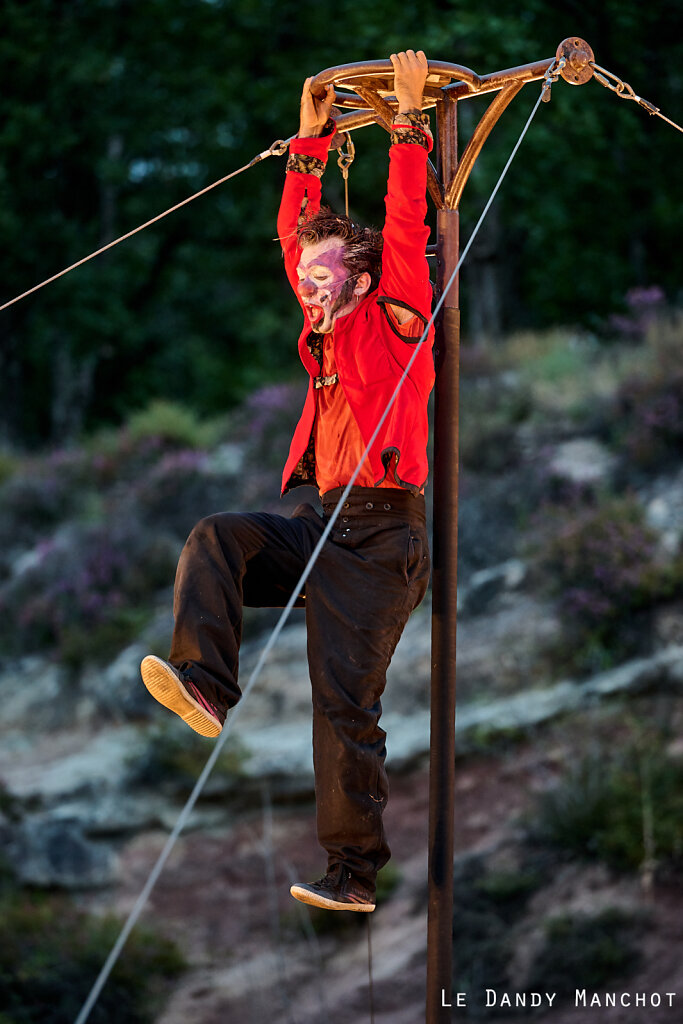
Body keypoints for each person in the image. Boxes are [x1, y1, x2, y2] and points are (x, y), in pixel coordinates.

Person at [140, 50, 435, 912]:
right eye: (303, 280)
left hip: (381, 536)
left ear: (362, 278)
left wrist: (408, 125)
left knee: (343, 710)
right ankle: (205, 681)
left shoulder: (395, 320)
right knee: (216, 538)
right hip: (316, 520)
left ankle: (351, 875)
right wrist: (309, 141)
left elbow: (405, 222)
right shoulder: (323, 331)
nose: (306, 289)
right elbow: (293, 238)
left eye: (322, 278)